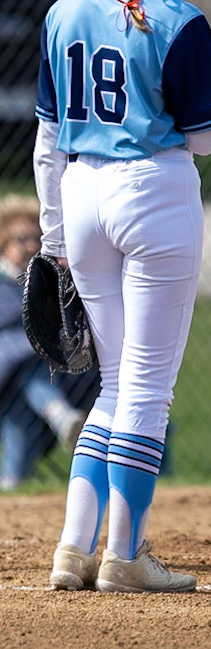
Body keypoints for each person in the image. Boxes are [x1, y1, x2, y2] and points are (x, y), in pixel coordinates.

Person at [34, 0, 211, 592]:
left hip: (81, 193)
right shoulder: (181, 20)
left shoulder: (63, 10)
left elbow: (48, 141)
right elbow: (206, 138)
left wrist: (53, 235)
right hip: (153, 191)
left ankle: (71, 548)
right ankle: (123, 555)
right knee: (147, 389)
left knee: (117, 383)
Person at [0, 196, 89, 490]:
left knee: (23, 397)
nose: (30, 246)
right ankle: (61, 417)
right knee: (29, 364)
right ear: (3, 243)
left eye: (36, 239)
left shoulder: (48, 281)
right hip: (6, 376)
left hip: (47, 382)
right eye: (21, 239)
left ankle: (12, 481)